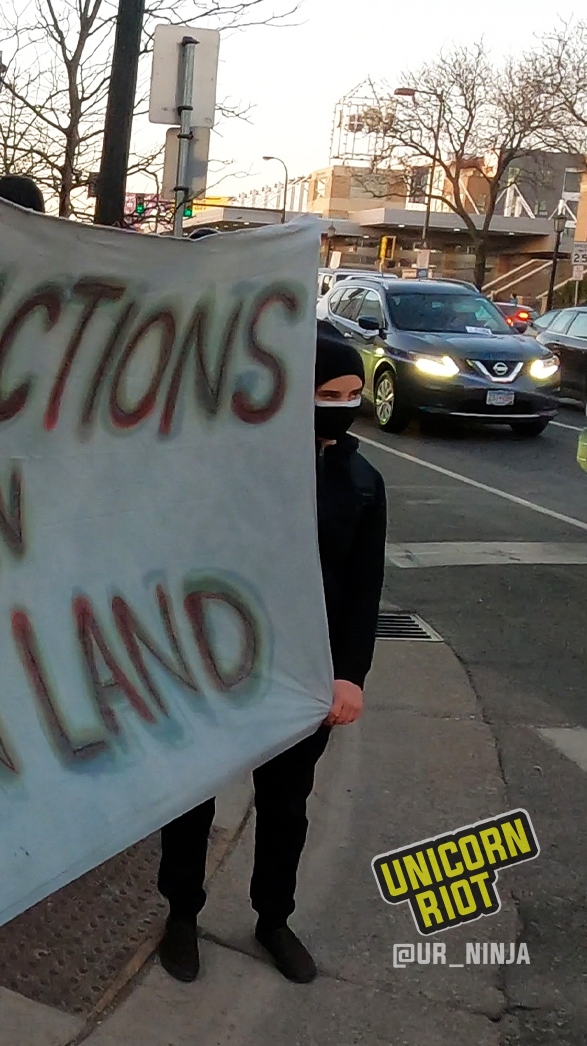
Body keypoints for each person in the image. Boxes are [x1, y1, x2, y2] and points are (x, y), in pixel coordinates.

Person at [154, 322, 386, 985]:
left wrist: (350, 676)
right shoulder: (237, 471)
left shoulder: (362, 482)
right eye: (327, 393)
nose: (343, 405)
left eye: (353, 394)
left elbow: (363, 589)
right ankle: (181, 913)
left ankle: (274, 918)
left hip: (304, 676)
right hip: (221, 669)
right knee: (193, 796)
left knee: (286, 805)